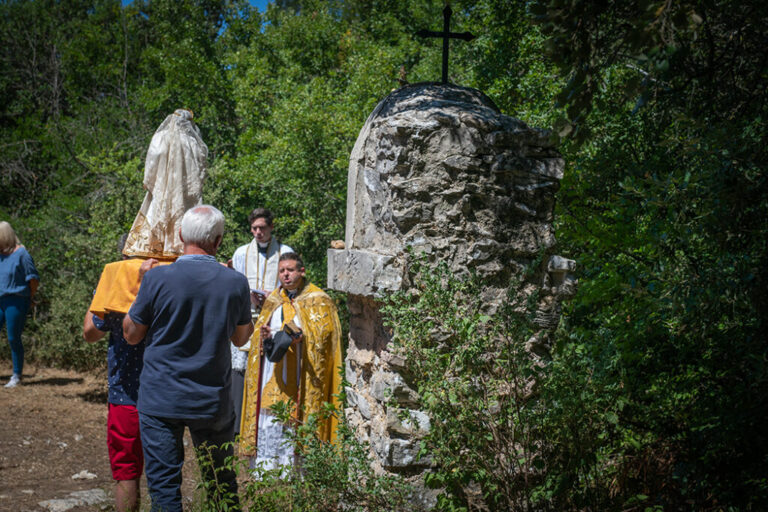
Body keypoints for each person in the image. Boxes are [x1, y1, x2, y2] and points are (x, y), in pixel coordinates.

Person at [123, 205, 253, 512]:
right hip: (211, 399)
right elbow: (240, 338)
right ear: (219, 241)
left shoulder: (157, 279)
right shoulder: (235, 282)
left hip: (161, 398)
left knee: (165, 489)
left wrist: (141, 287)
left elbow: (131, 334)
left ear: (181, 235)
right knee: (222, 485)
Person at [240, 252, 343, 471]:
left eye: (290, 270)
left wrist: (303, 338)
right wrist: (266, 336)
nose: (285, 275)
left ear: (302, 271)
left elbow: (325, 336)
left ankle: (299, 469)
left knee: (297, 416)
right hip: (273, 370)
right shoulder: (274, 300)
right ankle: (269, 467)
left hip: (302, 373)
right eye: (282, 271)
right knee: (271, 414)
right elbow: (260, 333)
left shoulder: (318, 299)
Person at [82, 234, 147, 512]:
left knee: (126, 470)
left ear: (122, 256)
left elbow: (90, 332)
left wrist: (107, 296)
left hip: (126, 392)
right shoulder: (170, 282)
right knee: (165, 470)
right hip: (166, 390)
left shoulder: (116, 284)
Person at [229, 208, 293, 439]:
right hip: (246, 316)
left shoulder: (285, 252)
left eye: (262, 228)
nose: (258, 232)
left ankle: (267, 421)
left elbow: (292, 285)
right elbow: (235, 285)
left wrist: (272, 295)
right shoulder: (241, 253)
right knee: (241, 368)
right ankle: (237, 425)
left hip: (273, 318)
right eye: (254, 228)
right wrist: (249, 295)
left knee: (269, 367)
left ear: (271, 228)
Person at [0, 221, 39, 388]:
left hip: (16, 299)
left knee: (13, 337)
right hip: (0, 299)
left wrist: (29, 297)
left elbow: (33, 279)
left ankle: (16, 374)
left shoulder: (22, 254)